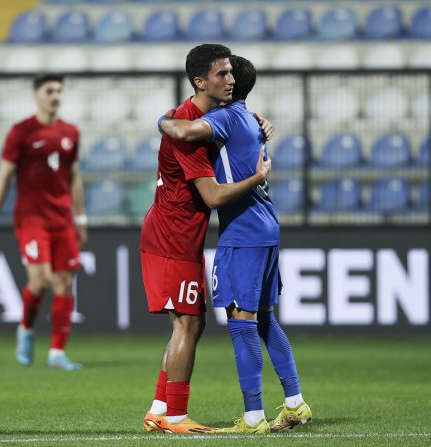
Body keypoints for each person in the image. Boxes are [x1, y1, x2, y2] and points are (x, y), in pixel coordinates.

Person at [158, 55, 312, 433]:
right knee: (264, 319)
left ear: (230, 86)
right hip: (267, 226)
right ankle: (295, 403)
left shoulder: (225, 118)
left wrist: (161, 119)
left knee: (242, 323)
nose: (224, 78)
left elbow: (182, 132)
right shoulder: (249, 118)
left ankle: (253, 417)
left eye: (227, 74)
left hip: (242, 233)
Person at [140, 44, 274, 434]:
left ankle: (159, 409)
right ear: (200, 81)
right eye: (221, 74)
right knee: (186, 324)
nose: (231, 80)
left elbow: (228, 127)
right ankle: (175, 417)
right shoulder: (188, 131)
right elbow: (213, 196)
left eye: (231, 72)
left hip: (182, 234)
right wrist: (257, 178)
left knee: (191, 324)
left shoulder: (205, 117)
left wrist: (256, 121)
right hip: (171, 235)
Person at [0, 73, 87, 371]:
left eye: (59, 91)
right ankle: (26, 329)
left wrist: (81, 217)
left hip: (62, 217)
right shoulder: (21, 132)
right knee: (40, 280)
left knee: (65, 282)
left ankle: (56, 353)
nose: (55, 96)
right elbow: (4, 176)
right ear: (36, 95)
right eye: (49, 90)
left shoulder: (70, 132)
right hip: (31, 218)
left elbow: (74, 176)